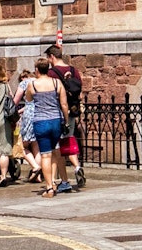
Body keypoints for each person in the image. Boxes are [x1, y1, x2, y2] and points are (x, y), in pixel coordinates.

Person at [23, 59, 70, 198]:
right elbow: (64, 104)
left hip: (41, 122)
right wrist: (66, 122)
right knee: (55, 150)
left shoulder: (32, 84)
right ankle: (55, 181)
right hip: (56, 120)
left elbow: (29, 99)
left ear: (37, 69)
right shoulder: (57, 82)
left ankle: (49, 186)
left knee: (45, 154)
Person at [46, 45, 86, 191]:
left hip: (57, 112)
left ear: (51, 56)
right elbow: (79, 92)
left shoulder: (51, 73)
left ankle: (59, 180)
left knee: (56, 146)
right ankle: (76, 167)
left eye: (48, 58)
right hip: (71, 112)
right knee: (68, 140)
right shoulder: (74, 70)